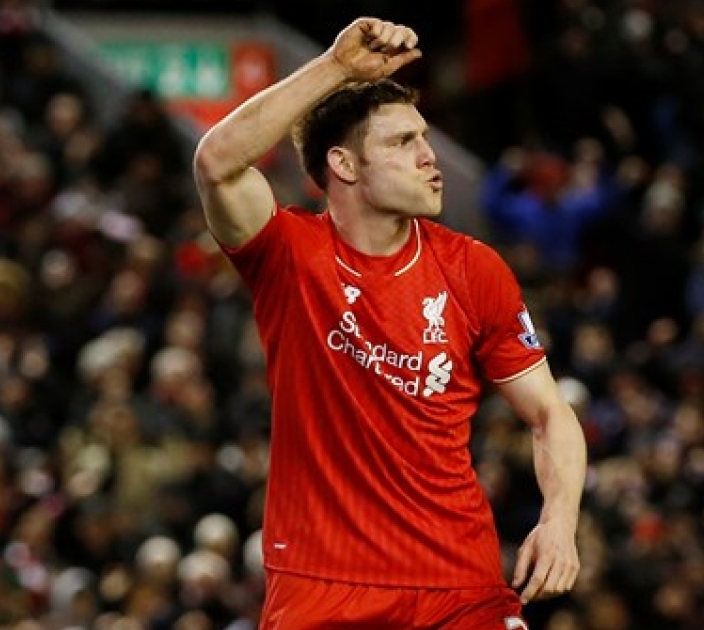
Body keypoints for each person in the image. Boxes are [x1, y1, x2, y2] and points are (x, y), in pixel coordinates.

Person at [192, 17, 586, 628]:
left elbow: (549, 413)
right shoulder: (290, 256)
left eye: (424, 137)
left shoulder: (473, 269)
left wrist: (560, 522)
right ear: (345, 165)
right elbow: (217, 162)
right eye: (402, 142)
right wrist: (336, 68)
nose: (429, 157)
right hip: (323, 587)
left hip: (459, 584)